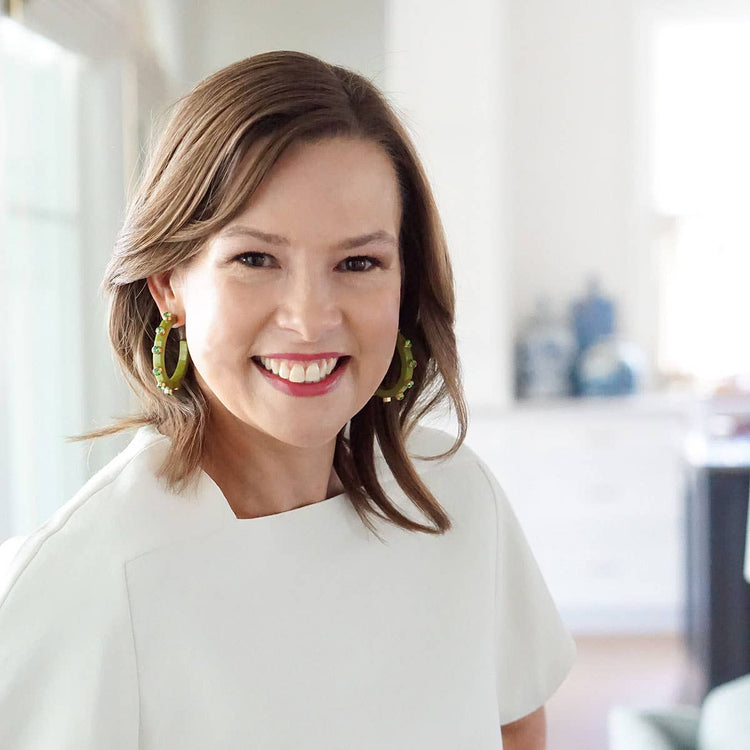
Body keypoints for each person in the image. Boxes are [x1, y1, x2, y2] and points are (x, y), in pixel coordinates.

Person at [0, 51, 576, 749]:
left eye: (358, 263)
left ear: (404, 285)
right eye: (255, 259)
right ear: (168, 285)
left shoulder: (457, 498)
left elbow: (516, 724)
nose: (310, 318)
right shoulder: (80, 585)